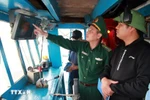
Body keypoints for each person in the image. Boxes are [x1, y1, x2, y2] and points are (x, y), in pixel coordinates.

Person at [33, 16, 111, 100]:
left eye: (91, 30)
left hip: (95, 90)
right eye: (88, 29)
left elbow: (108, 71)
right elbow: (64, 41)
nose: (88, 32)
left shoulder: (106, 52)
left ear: (99, 35)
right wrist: (45, 34)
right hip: (81, 88)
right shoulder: (80, 46)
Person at [100, 10, 150, 100]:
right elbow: (107, 67)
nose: (116, 27)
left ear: (131, 28)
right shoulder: (118, 49)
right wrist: (104, 79)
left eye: (120, 24)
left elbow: (141, 87)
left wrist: (111, 88)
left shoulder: (146, 51)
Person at [66, 30, 82, 94]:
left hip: (80, 70)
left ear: (80, 39)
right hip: (72, 69)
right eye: (74, 39)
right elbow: (69, 59)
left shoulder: (82, 48)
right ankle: (71, 95)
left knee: (78, 86)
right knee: (70, 83)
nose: (74, 41)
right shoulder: (71, 47)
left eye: (76, 39)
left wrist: (76, 67)